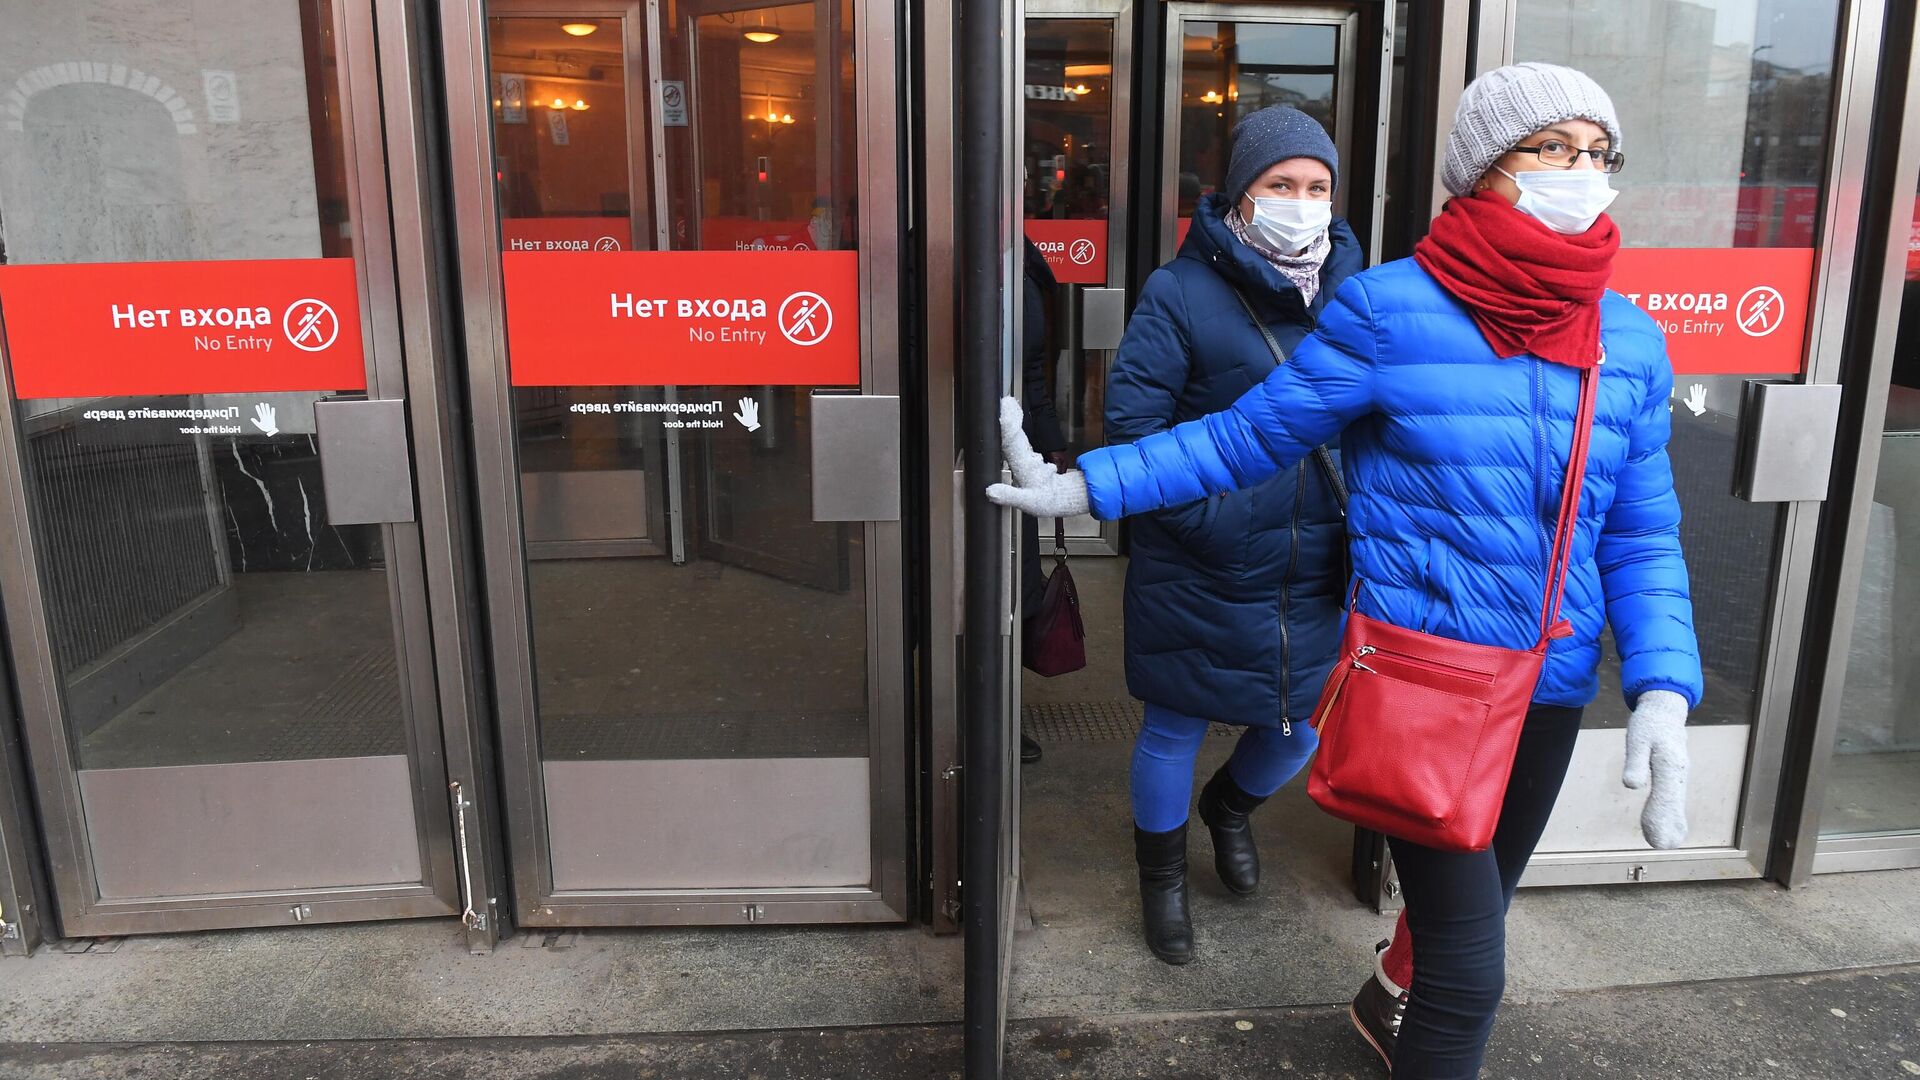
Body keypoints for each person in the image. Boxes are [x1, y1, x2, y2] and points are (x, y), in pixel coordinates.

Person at [988, 63, 1701, 1078]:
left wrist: (1665, 686)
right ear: (1483, 171)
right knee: (1470, 974)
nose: (1581, 173)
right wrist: (1089, 485)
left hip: (1548, 687)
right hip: (1430, 685)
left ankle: (1380, 1001)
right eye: (1553, 150)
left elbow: (1641, 529)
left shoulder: (1626, 340)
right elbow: (1243, 437)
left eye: (1598, 154)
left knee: (1478, 910)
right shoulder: (1388, 311)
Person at [1105, 106, 1363, 966]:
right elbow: (1134, 435)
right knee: (1174, 725)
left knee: (1300, 727)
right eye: (1280, 184)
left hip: (1319, 563)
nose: (1301, 201)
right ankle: (1163, 882)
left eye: (1316, 187)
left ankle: (1231, 809)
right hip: (1204, 554)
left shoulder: (1360, 296)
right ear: (1240, 197)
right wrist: (1218, 526)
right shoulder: (1178, 292)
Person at [1018, 236, 1072, 765]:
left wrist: (1051, 438)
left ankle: (997, 709)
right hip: (943, 448)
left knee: (1016, 584)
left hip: (1017, 450)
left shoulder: (1023, 264)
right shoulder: (926, 259)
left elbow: (1035, 367)